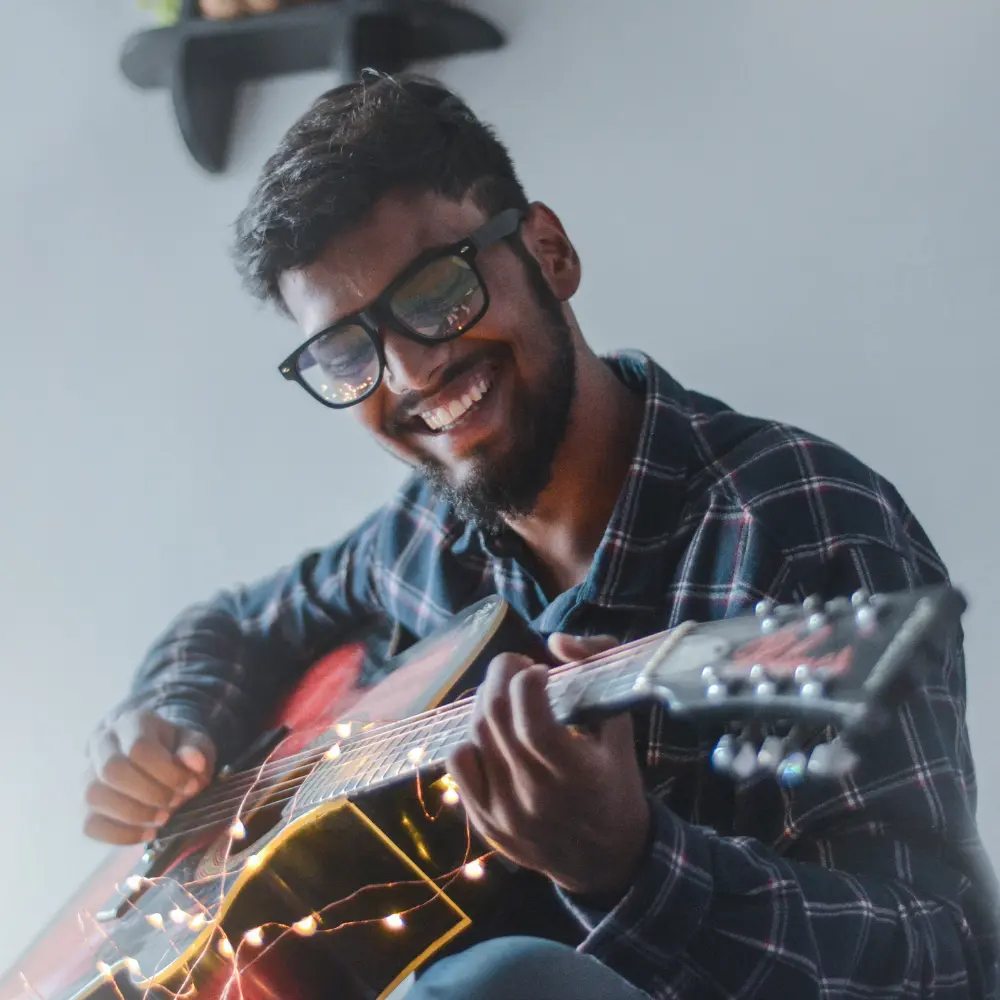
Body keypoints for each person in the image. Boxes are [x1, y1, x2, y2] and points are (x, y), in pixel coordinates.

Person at [83, 73, 997, 999]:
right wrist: (171, 719)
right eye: (348, 351)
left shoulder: (802, 526)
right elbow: (237, 621)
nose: (409, 373)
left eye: (436, 292)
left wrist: (635, 867)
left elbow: (943, 957)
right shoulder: (425, 539)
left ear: (550, 254)